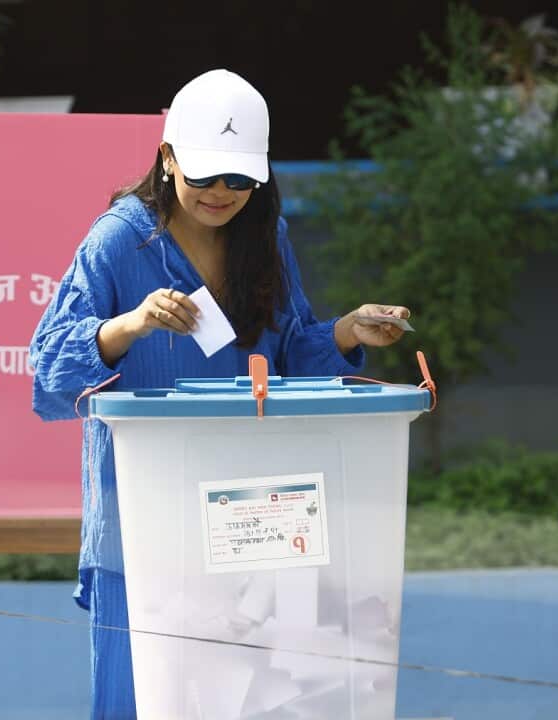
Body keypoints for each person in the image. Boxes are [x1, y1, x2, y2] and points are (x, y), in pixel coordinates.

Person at [29, 68, 411, 718]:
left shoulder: (265, 237)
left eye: (239, 178)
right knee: (140, 698)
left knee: (256, 698)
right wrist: (131, 324)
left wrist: (347, 331)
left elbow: (290, 359)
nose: (221, 193)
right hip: (146, 514)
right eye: (205, 174)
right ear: (167, 157)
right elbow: (48, 370)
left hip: (254, 509)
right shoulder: (119, 239)